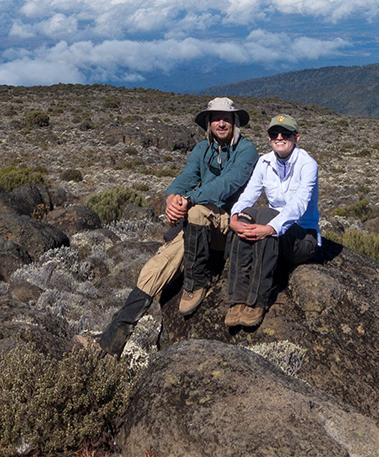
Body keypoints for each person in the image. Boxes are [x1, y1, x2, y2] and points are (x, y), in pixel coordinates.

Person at [92, 97, 258, 355]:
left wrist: (189, 199)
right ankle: (110, 342)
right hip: (197, 223)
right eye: (216, 117)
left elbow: (228, 183)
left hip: (229, 225)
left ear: (235, 122)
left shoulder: (246, 150)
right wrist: (173, 199)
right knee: (156, 266)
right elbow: (184, 178)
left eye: (227, 117)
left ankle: (197, 282)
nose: (221, 122)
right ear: (209, 122)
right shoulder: (202, 150)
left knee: (198, 212)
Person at [225, 114, 320, 329]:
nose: (279, 137)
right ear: (268, 138)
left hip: (302, 237)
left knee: (267, 214)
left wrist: (270, 228)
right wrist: (234, 217)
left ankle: (257, 300)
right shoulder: (264, 162)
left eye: (285, 134)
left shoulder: (307, 165)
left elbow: (299, 204)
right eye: (274, 133)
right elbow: (249, 194)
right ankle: (237, 298)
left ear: (297, 138)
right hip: (276, 232)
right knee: (246, 215)